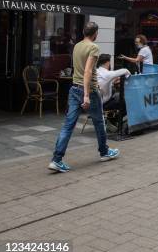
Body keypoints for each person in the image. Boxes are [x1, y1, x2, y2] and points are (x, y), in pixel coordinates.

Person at [49, 22, 120, 173]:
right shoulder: (93, 47)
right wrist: (87, 95)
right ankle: (104, 152)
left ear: (83, 32)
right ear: (95, 34)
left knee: (68, 125)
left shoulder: (77, 46)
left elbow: (80, 69)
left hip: (74, 88)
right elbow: (88, 71)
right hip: (89, 91)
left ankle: (56, 159)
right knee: (99, 122)